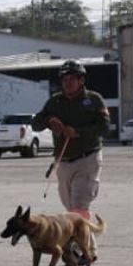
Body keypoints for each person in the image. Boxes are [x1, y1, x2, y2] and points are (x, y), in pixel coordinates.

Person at [31, 59, 110, 255]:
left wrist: (78, 132)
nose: (68, 82)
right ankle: (87, 247)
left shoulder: (94, 99)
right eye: (65, 79)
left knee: (79, 207)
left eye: (72, 78)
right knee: (70, 209)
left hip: (88, 159)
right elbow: (35, 123)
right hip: (64, 162)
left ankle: (83, 251)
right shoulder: (55, 101)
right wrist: (50, 120)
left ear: (81, 80)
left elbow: (104, 127)